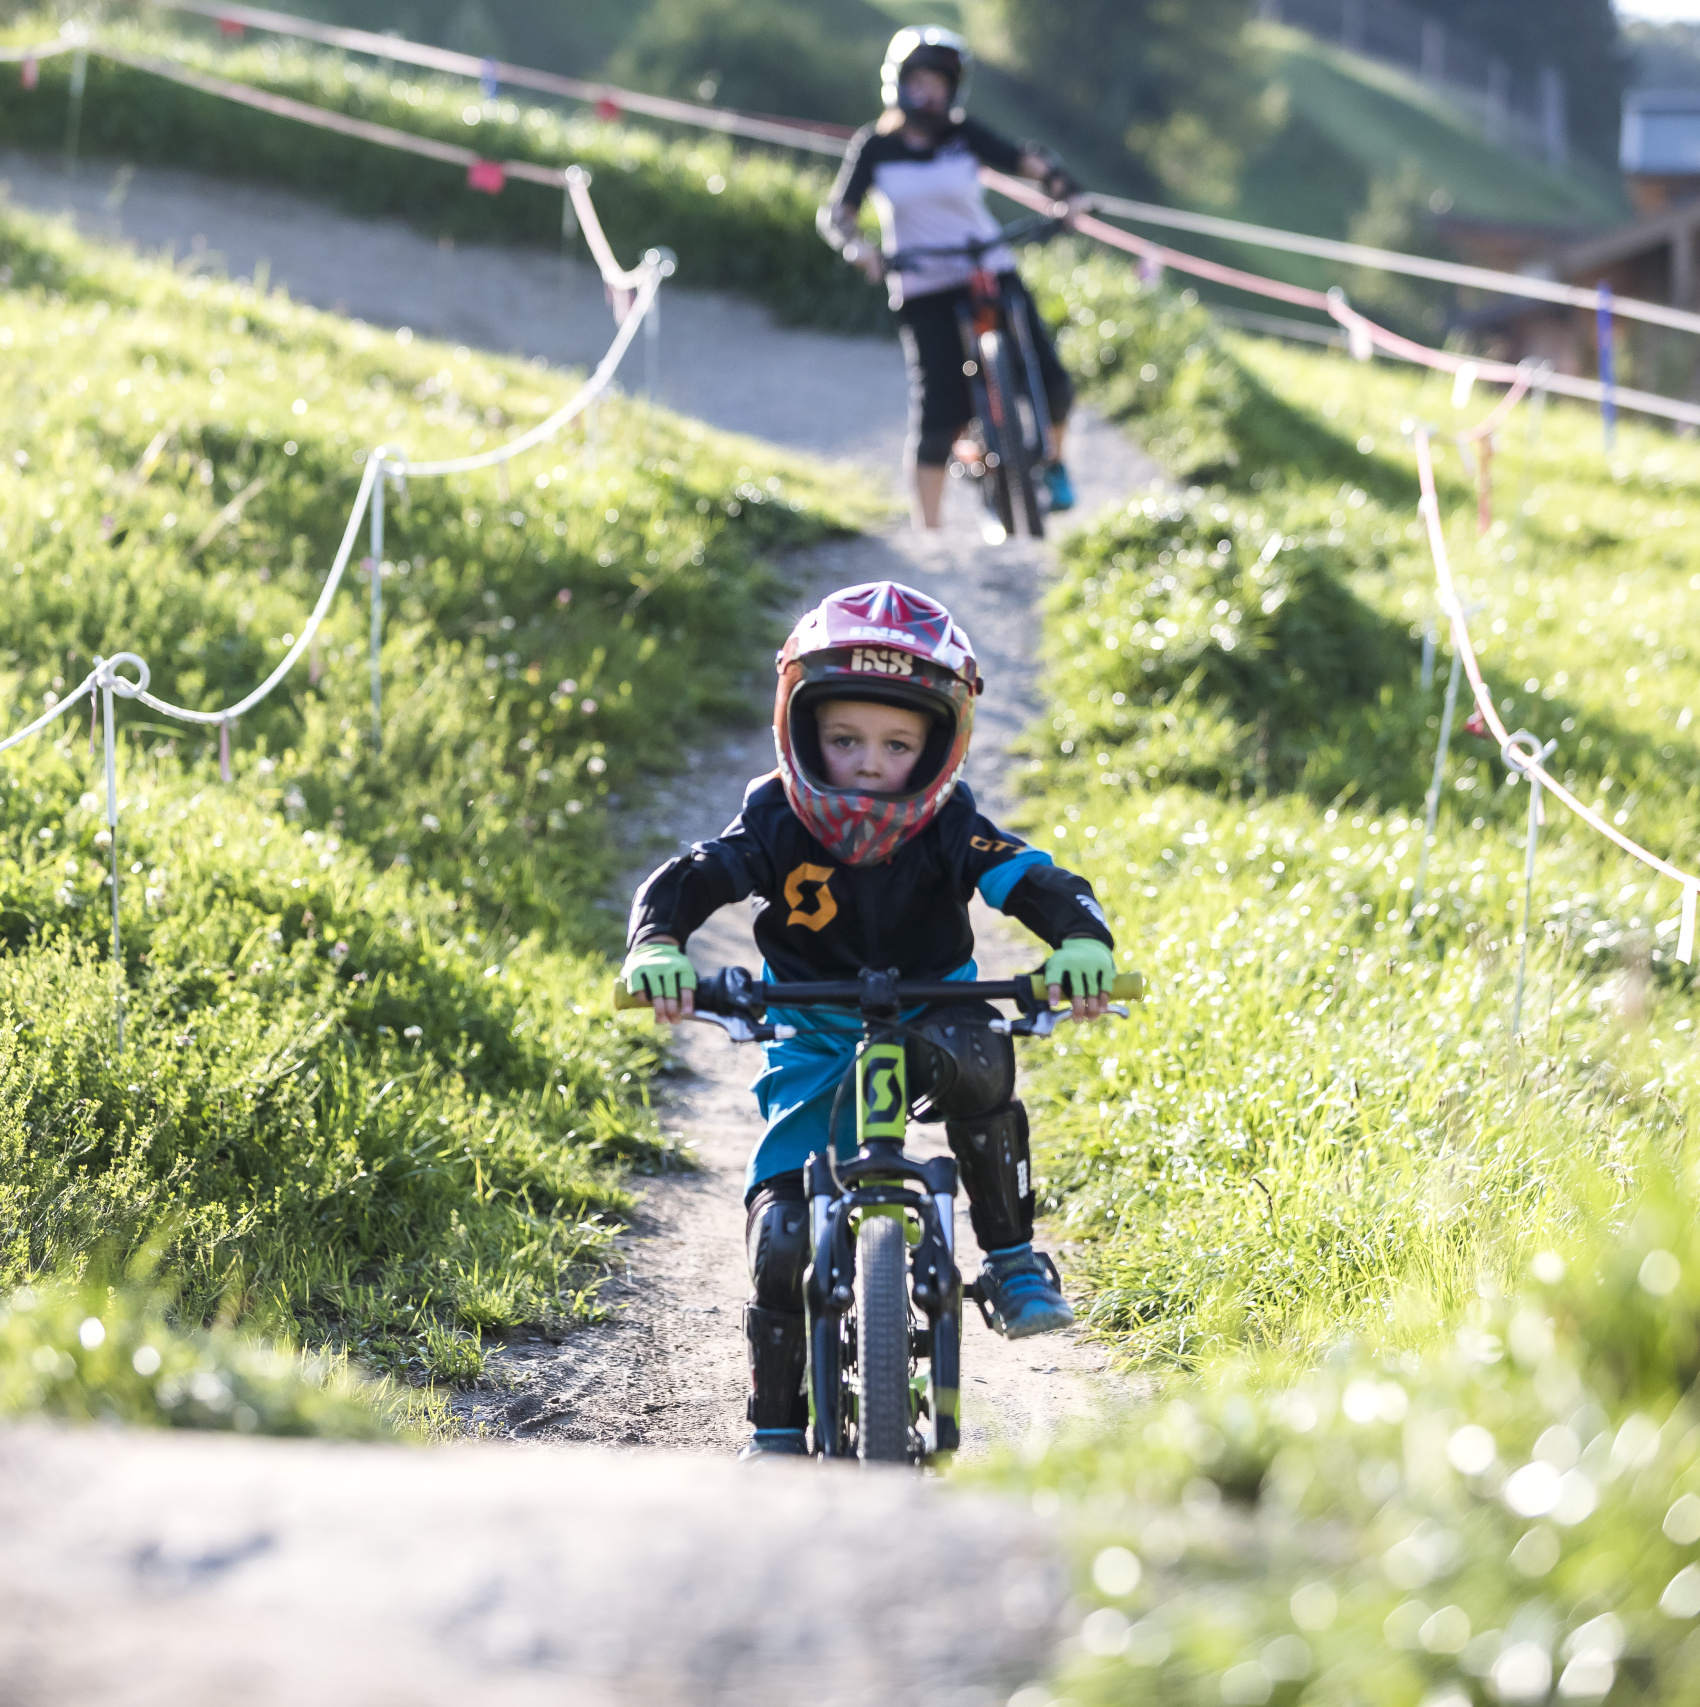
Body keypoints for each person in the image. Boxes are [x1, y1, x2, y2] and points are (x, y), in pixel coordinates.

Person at [619, 581, 1120, 1459]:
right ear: (799, 726)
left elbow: (1032, 876)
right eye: (844, 738)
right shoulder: (774, 817)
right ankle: (776, 1431)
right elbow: (692, 875)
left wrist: (1082, 941)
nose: (866, 763)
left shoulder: (950, 823)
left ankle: (1011, 1260)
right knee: (781, 1236)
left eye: (896, 744)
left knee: (982, 1057)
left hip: (933, 1010)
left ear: (940, 744)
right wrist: (658, 943)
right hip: (814, 1031)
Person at [819, 26, 1079, 529]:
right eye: (920, 82)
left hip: (988, 270)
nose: (930, 94)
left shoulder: (964, 134)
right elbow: (839, 215)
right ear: (898, 83)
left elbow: (1027, 161)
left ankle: (1052, 464)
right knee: (940, 414)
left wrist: (1067, 191)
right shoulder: (874, 146)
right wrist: (859, 249)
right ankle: (929, 535)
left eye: (940, 83)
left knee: (1053, 383)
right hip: (923, 286)